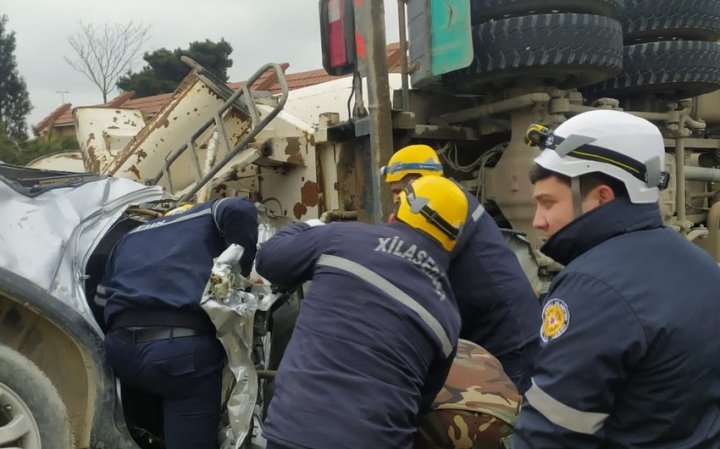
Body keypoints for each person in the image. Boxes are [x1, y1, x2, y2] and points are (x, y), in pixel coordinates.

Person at [512, 109, 720, 448]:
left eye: (548, 203)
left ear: (601, 197)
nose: (538, 220)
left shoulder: (593, 287)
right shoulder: (701, 265)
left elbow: (550, 433)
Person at [255, 176, 468, 449]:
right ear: (454, 241)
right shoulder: (448, 315)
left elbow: (269, 260)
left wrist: (307, 227)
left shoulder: (345, 237)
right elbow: (421, 403)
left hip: (297, 432)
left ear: (396, 213)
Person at [98, 197, 258, 449]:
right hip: (180, 355)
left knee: (146, 434)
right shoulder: (205, 214)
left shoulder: (129, 237)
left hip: (121, 353)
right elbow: (237, 208)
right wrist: (239, 272)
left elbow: (101, 299)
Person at [382, 144, 540, 393]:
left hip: (507, 339)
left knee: (508, 417)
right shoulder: (453, 200)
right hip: (503, 330)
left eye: (397, 191)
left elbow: (414, 264)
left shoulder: (442, 207)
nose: (394, 199)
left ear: (414, 181)